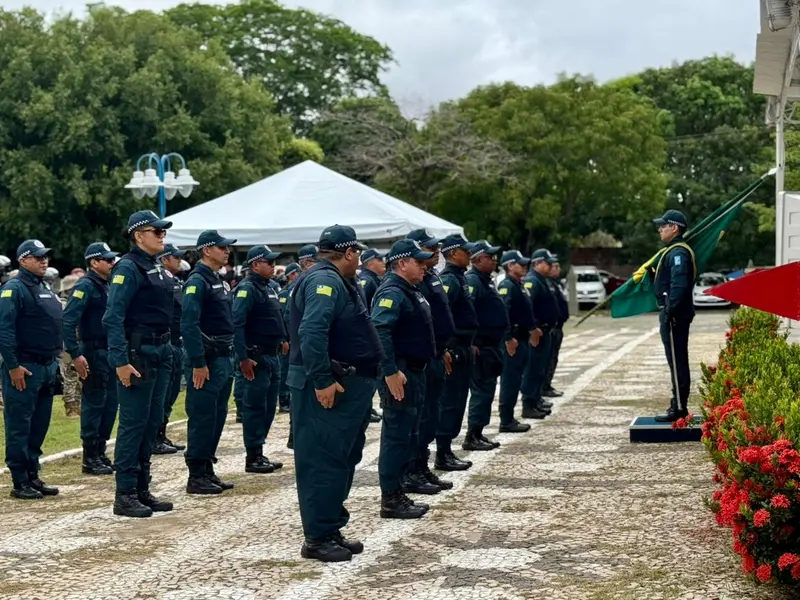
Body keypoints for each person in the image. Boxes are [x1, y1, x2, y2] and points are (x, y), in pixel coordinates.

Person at [287, 224, 383, 562]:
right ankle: (317, 536)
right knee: (323, 461)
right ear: (350, 253)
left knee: (341, 458)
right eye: (357, 253)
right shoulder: (324, 281)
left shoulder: (338, 279)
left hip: (349, 385)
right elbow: (312, 332)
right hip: (332, 385)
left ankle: (329, 527)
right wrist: (323, 379)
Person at [103, 211, 175, 518]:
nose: (162, 235)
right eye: (155, 231)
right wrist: (120, 361)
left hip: (160, 351)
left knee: (151, 423)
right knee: (133, 425)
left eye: (163, 231)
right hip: (138, 354)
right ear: (137, 236)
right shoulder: (128, 268)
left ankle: (142, 488)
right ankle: (126, 493)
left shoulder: (154, 266)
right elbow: (113, 317)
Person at [372, 239, 437, 518]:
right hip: (400, 372)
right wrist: (389, 371)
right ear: (401, 263)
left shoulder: (409, 289)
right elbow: (379, 330)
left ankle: (399, 490)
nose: (424, 266)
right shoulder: (392, 292)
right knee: (397, 435)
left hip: (414, 371)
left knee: (408, 433)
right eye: (418, 262)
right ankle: (391, 497)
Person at [0, 240, 63, 500]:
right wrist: (13, 366)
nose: (44, 261)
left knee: (39, 425)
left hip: (47, 366)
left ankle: (33, 474)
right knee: (19, 425)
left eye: (45, 256)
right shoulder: (14, 289)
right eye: (37, 257)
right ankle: (19, 480)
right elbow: (4, 331)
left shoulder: (43, 286)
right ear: (23, 260)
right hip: (24, 368)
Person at [181, 230, 237, 495]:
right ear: (206, 250)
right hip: (208, 359)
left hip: (224, 356)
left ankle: (207, 468)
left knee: (217, 415)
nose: (226, 251)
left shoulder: (218, 279)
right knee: (203, 416)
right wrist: (198, 361)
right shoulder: (197, 280)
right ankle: (196, 474)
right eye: (221, 247)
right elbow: (189, 324)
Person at [403, 229, 455, 493]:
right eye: (429, 248)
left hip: (436, 353)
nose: (436, 252)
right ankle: (413, 470)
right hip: (422, 358)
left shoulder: (431, 276)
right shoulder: (415, 280)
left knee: (431, 414)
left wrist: (443, 348)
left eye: (437, 248)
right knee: (420, 417)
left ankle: (422, 467)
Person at [62, 242, 119, 476]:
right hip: (94, 352)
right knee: (95, 403)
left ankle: (101, 449)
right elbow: (68, 320)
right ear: (94, 262)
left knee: (110, 404)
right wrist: (75, 354)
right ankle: (90, 456)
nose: (112, 263)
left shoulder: (106, 285)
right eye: (107, 260)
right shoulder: (86, 286)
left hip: (110, 351)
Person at [233, 244, 287, 474]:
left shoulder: (270, 287)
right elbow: (237, 323)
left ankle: (259, 450)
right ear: (255, 264)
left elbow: (276, 316)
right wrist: (243, 357)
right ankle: (253, 455)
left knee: (268, 407)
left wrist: (283, 337)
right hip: (256, 357)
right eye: (269, 262)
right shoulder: (247, 288)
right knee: (255, 407)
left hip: (272, 354)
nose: (274, 266)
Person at [436, 234, 479, 471]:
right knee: (450, 401)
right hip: (454, 350)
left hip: (464, 347)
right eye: (466, 251)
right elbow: (443, 316)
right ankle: (442, 452)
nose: (470, 255)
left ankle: (447, 449)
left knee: (459, 399)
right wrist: (448, 347)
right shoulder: (450, 280)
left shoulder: (459, 277)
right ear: (453, 253)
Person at [652, 210, 696, 422]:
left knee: (677, 360)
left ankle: (679, 406)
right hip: (673, 313)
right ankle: (677, 402)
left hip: (675, 315)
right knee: (675, 360)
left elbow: (679, 285)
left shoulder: (678, 253)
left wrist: (670, 311)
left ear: (674, 227)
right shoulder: (672, 251)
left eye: (663, 226)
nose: (660, 229)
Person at [464, 240, 508, 451]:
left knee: (488, 390)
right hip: (481, 346)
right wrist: (472, 341)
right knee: (481, 392)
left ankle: (479, 431)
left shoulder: (486, 280)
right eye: (490, 257)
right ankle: (472, 435)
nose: (494, 260)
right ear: (478, 259)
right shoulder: (473, 281)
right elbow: (468, 313)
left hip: (492, 346)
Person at [152, 243, 189, 455]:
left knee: (171, 393)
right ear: (165, 259)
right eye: (175, 257)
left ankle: (161, 433)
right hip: (168, 342)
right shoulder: (161, 282)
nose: (179, 260)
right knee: (163, 394)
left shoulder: (174, 281)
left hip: (176, 343)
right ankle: (155, 437)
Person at [497, 250, 537, 433]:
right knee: (510, 380)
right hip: (513, 339)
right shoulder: (507, 285)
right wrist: (507, 338)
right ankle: (506, 420)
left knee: (516, 378)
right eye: (520, 264)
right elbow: (503, 312)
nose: (524, 267)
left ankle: (510, 417)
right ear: (510, 266)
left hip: (521, 338)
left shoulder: (518, 284)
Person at [520, 249, 561, 418]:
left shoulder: (542, 280)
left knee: (540, 368)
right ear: (537, 263)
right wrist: (533, 328)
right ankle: (529, 403)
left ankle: (536, 400)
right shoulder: (532, 281)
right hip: (537, 332)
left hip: (546, 331)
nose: (551, 266)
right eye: (548, 263)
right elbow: (528, 307)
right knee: (533, 369)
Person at [285, 248, 318, 450]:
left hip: (308, 350)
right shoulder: (301, 284)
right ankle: (295, 437)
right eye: (315, 261)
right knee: (302, 400)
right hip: (302, 351)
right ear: (305, 263)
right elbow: (291, 318)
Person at [277, 262, 301, 414]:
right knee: (284, 370)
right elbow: (282, 317)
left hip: (292, 338)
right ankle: (283, 399)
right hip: (286, 339)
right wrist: (285, 337)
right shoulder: (285, 294)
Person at [58, 274, 82, 418]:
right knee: (70, 375)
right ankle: (72, 406)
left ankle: (75, 405)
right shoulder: (63, 304)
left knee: (74, 376)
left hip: (73, 343)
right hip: (67, 344)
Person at [543, 261, 568, 398]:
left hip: (558, 326)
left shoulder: (556, 283)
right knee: (548, 359)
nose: (558, 269)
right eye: (555, 266)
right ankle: (543, 387)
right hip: (550, 328)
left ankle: (547, 384)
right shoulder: (545, 283)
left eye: (559, 266)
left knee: (553, 358)